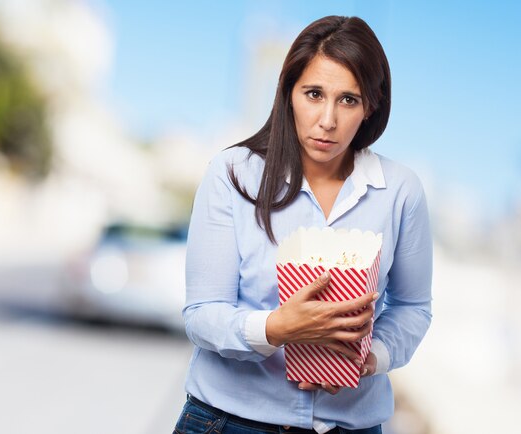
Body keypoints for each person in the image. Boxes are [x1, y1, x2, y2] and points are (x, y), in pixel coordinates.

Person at [174, 15, 432, 434]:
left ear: (371, 105)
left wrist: (371, 358)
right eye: (314, 94)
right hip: (228, 422)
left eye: (348, 99)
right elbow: (202, 313)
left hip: (351, 424)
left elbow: (413, 307)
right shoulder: (232, 174)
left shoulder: (401, 192)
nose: (327, 119)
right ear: (288, 93)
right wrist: (277, 328)